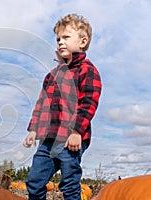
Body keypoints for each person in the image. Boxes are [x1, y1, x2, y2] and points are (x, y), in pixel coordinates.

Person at [23, 13, 102, 200]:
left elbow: (89, 103)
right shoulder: (52, 75)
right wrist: (33, 129)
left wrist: (76, 131)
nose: (60, 42)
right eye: (58, 38)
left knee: (69, 182)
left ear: (82, 41)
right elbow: (42, 104)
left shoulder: (87, 70)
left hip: (70, 139)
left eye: (66, 37)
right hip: (48, 138)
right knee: (34, 181)